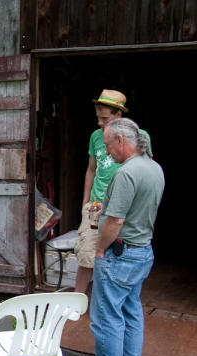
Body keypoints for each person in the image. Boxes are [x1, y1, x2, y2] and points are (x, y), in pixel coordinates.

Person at [74, 118, 164, 356]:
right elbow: (134, 208)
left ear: (121, 141)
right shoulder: (153, 168)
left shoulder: (126, 173)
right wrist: (105, 210)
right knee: (131, 308)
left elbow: (116, 222)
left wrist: (100, 248)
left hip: (120, 254)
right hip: (142, 251)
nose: (107, 152)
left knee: (105, 314)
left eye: (108, 145)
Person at [74, 89, 152, 294]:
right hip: (96, 204)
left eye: (105, 118)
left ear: (118, 115)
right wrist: (86, 201)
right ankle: (76, 303)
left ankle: (107, 302)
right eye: (98, 117)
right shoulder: (95, 136)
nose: (100, 122)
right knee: (86, 255)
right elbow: (91, 169)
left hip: (122, 207)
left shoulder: (140, 137)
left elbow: (147, 171)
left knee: (117, 256)